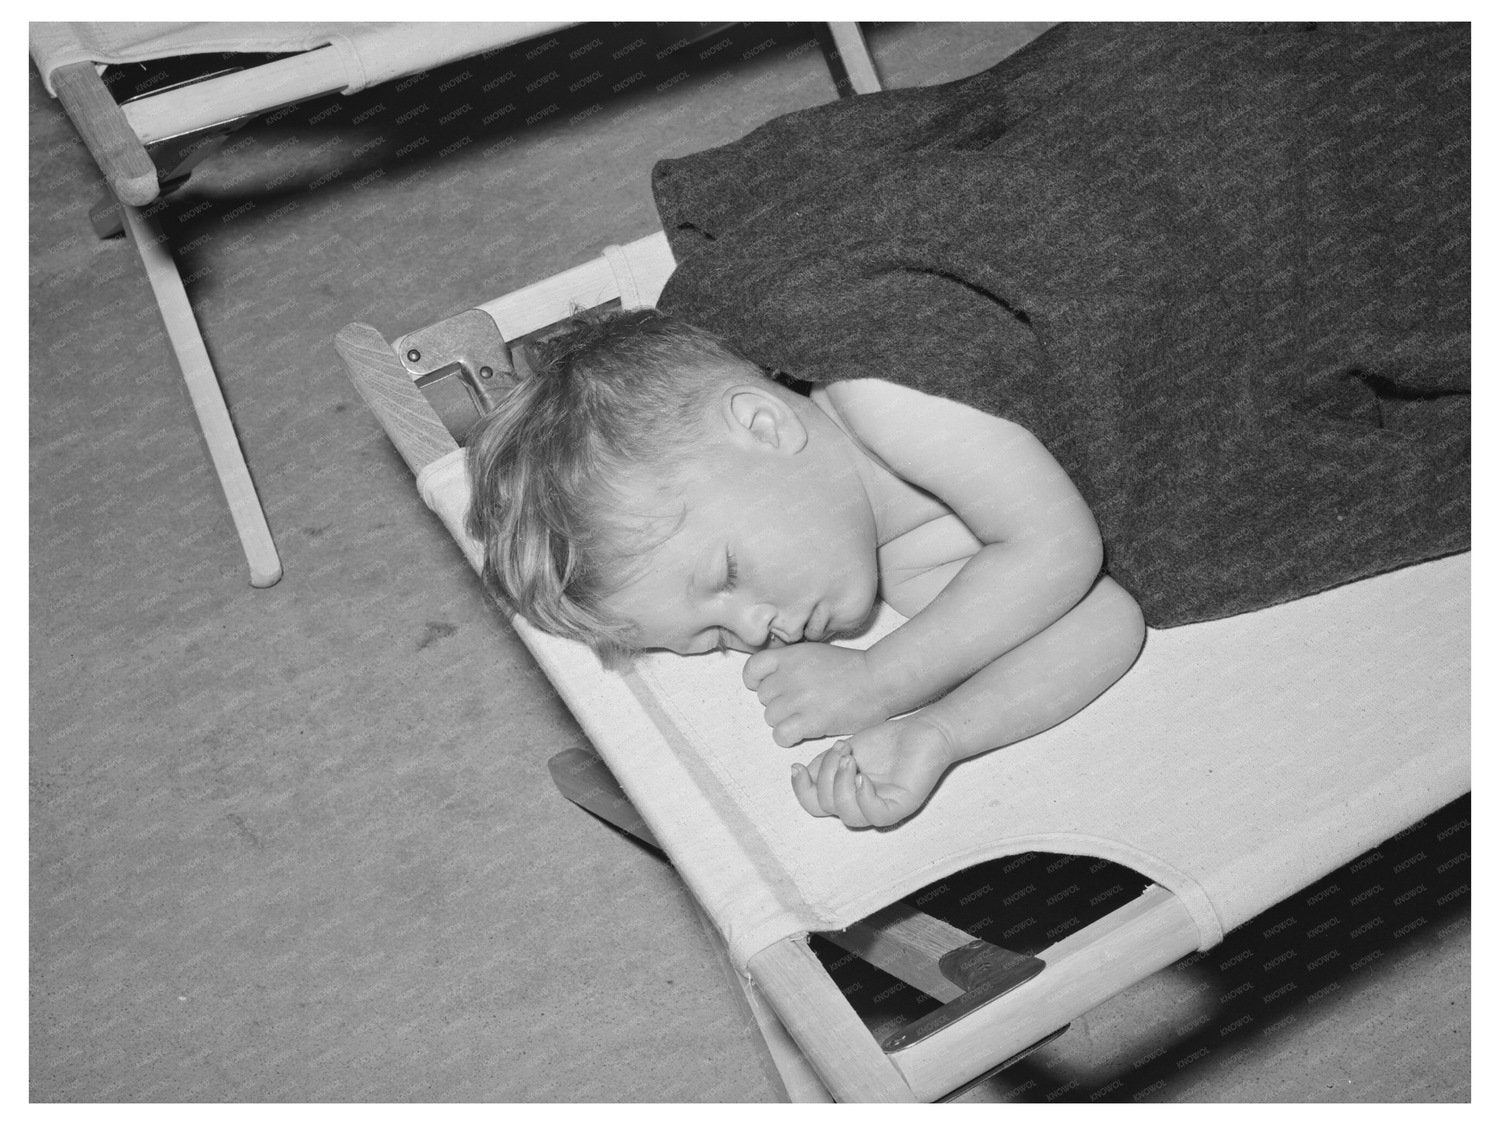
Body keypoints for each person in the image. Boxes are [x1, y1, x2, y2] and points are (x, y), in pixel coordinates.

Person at [467, 309, 1145, 828]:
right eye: (714, 636)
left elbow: (1058, 549)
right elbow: (1103, 618)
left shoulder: (882, 390)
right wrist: (938, 730)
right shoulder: (908, 569)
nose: (756, 628)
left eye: (726, 574)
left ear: (764, 426)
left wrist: (881, 677)